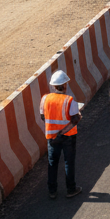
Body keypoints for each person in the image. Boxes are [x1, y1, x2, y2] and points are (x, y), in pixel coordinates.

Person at [41, 69, 82, 200]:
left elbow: (43, 116)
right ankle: (71, 189)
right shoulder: (70, 101)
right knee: (68, 162)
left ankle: (52, 191)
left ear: (53, 86)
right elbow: (75, 119)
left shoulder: (45, 99)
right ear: (65, 85)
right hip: (68, 136)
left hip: (52, 137)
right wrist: (63, 130)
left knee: (52, 163)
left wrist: (55, 130)